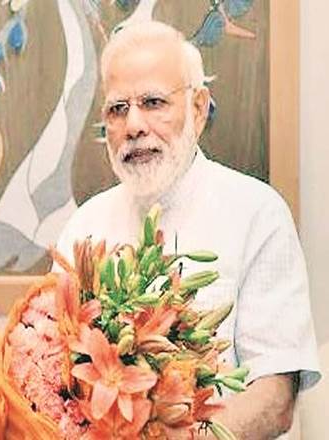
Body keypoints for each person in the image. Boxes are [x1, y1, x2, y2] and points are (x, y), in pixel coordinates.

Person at [55, 21, 320, 438]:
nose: (133, 125)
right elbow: (55, 372)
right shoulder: (83, 226)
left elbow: (274, 399)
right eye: (117, 109)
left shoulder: (257, 213)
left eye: (153, 102)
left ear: (198, 108)